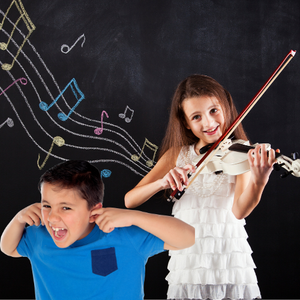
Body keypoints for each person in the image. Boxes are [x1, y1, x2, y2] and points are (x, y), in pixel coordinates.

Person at [125, 74, 276, 300]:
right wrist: (162, 182)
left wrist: (260, 180)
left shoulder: (239, 151)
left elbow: (239, 211)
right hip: (189, 260)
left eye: (214, 110)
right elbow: (130, 200)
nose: (209, 123)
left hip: (228, 258)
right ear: (186, 122)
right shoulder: (177, 155)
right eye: (197, 117)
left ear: (225, 107)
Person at [0, 160, 195, 300]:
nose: (51, 217)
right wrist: (18, 219)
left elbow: (188, 237)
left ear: (93, 212)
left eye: (66, 207)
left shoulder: (124, 236)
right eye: (46, 205)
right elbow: (8, 248)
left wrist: (135, 217)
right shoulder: (38, 237)